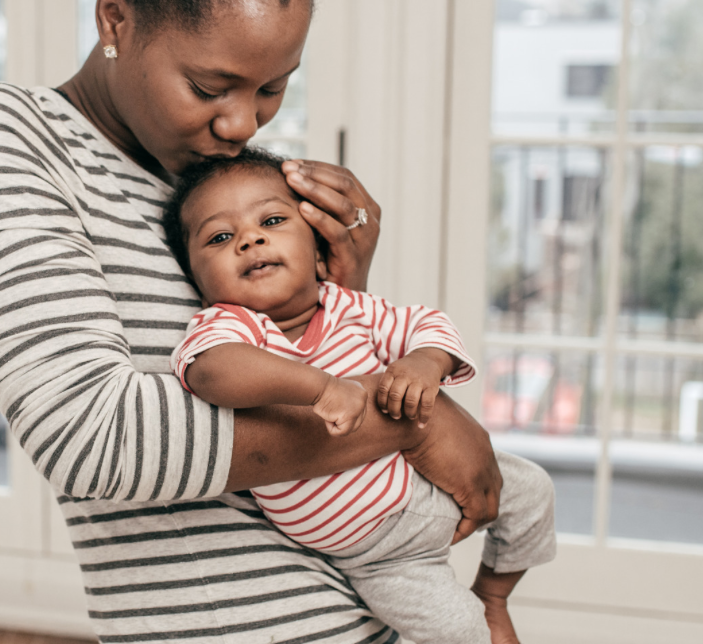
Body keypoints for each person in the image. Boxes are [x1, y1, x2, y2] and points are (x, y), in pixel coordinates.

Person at [0, 0, 503, 642]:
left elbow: (314, 375)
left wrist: (344, 286)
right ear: (115, 17)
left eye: (272, 89)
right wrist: (418, 424)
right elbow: (91, 436)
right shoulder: (9, 134)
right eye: (209, 87)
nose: (240, 125)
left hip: (384, 611)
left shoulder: (228, 183)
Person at [164, 148, 556, 644]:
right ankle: (481, 619)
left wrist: (424, 362)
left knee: (535, 491)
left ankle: (494, 595)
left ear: (318, 250)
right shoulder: (229, 328)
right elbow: (213, 373)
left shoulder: (351, 307)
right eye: (220, 237)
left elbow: (426, 325)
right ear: (199, 285)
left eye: (273, 219)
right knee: (462, 631)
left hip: (427, 482)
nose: (250, 238)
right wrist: (320, 386)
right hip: (379, 555)